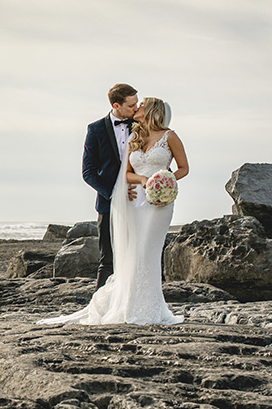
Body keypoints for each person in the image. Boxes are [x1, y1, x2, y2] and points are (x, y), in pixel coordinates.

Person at [42, 95, 189, 326]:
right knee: (132, 253)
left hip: (159, 203)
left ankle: (148, 309)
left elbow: (183, 168)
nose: (137, 108)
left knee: (147, 252)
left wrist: (165, 180)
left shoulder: (170, 136)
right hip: (135, 202)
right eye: (134, 104)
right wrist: (141, 179)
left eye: (141, 105)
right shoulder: (135, 135)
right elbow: (126, 173)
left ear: (152, 110)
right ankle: (129, 305)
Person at [81, 84, 140, 289]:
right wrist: (116, 192)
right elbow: (88, 172)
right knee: (107, 260)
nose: (136, 108)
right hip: (109, 204)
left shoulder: (142, 125)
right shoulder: (96, 129)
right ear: (116, 105)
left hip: (140, 200)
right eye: (131, 105)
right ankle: (101, 310)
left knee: (139, 256)